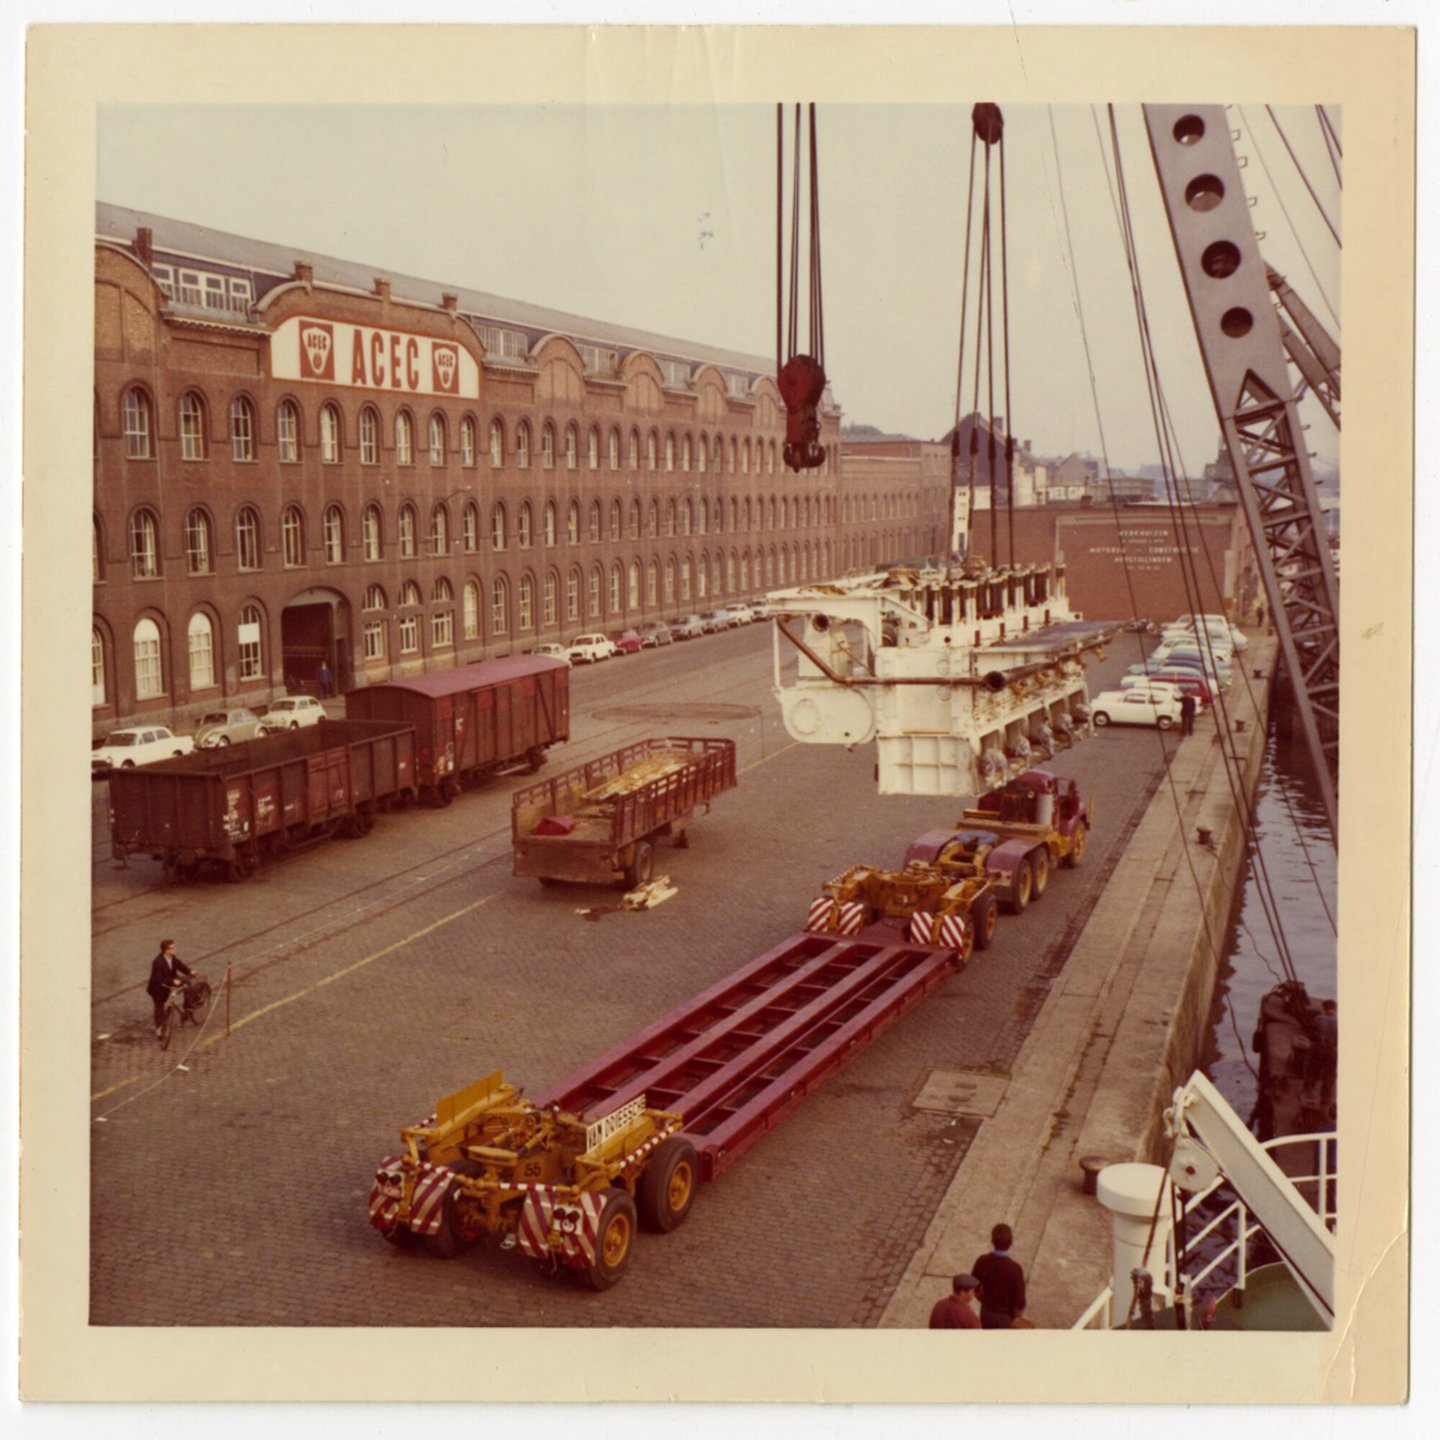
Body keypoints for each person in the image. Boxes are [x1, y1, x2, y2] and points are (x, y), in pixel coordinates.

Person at [972, 1222, 1027, 1329]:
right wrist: (1017, 1321)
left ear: (992, 1241)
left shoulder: (982, 1261)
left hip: (986, 1314)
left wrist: (986, 1301)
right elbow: (1019, 1303)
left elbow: (974, 1287)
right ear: (1010, 1243)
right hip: (1006, 1318)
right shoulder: (1015, 1269)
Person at [146, 938, 195, 1034]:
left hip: (171, 981)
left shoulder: (172, 957)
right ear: (166, 950)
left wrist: (189, 971)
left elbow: (179, 965)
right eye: (172, 948)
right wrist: (173, 981)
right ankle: (159, 1029)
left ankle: (189, 1007)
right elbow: (159, 979)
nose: (175, 949)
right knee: (159, 1007)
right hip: (158, 988)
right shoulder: (158, 962)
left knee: (187, 981)